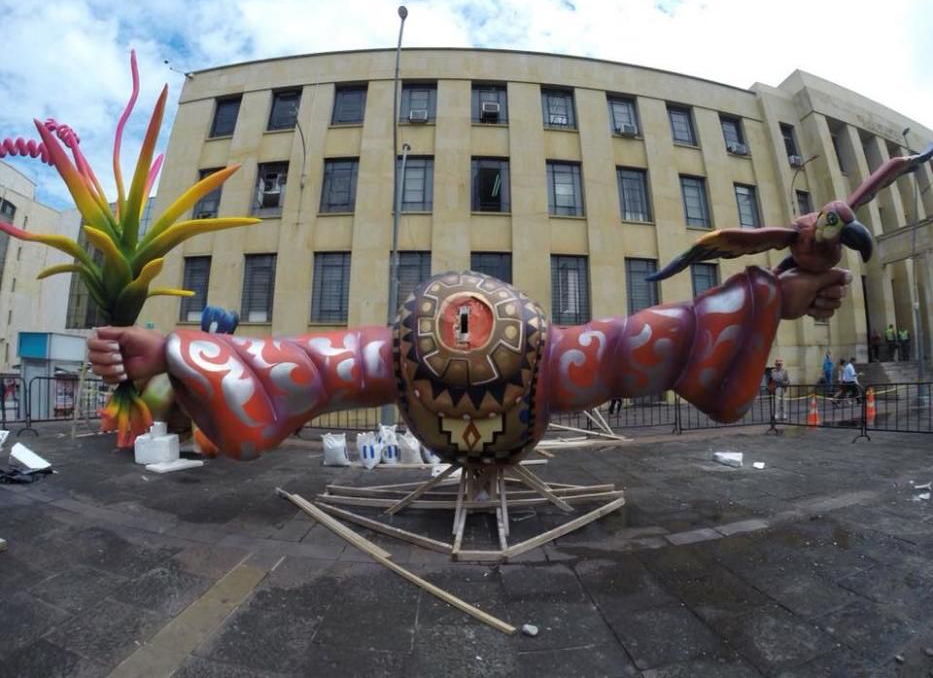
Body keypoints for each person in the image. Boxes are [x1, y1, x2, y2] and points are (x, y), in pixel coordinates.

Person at [86, 266, 853, 462]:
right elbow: (292, 365)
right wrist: (173, 351)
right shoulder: (387, 357)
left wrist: (778, 298)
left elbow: (293, 367)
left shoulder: (554, 360)